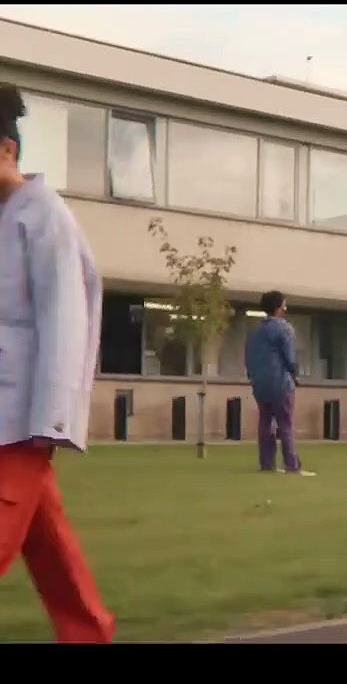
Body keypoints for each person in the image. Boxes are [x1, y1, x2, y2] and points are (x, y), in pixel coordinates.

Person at [0, 83, 116, 643]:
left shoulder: (45, 217)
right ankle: (89, 634)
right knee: (52, 551)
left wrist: (50, 423)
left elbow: (66, 320)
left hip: (22, 423)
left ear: (7, 150)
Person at [244, 290, 313, 476]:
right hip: (280, 382)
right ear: (279, 307)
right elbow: (289, 357)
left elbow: (249, 357)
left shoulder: (255, 331)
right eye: (284, 304)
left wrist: (253, 377)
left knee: (265, 423)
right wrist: (296, 375)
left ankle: (267, 464)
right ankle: (292, 465)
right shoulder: (284, 328)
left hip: (260, 383)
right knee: (285, 424)